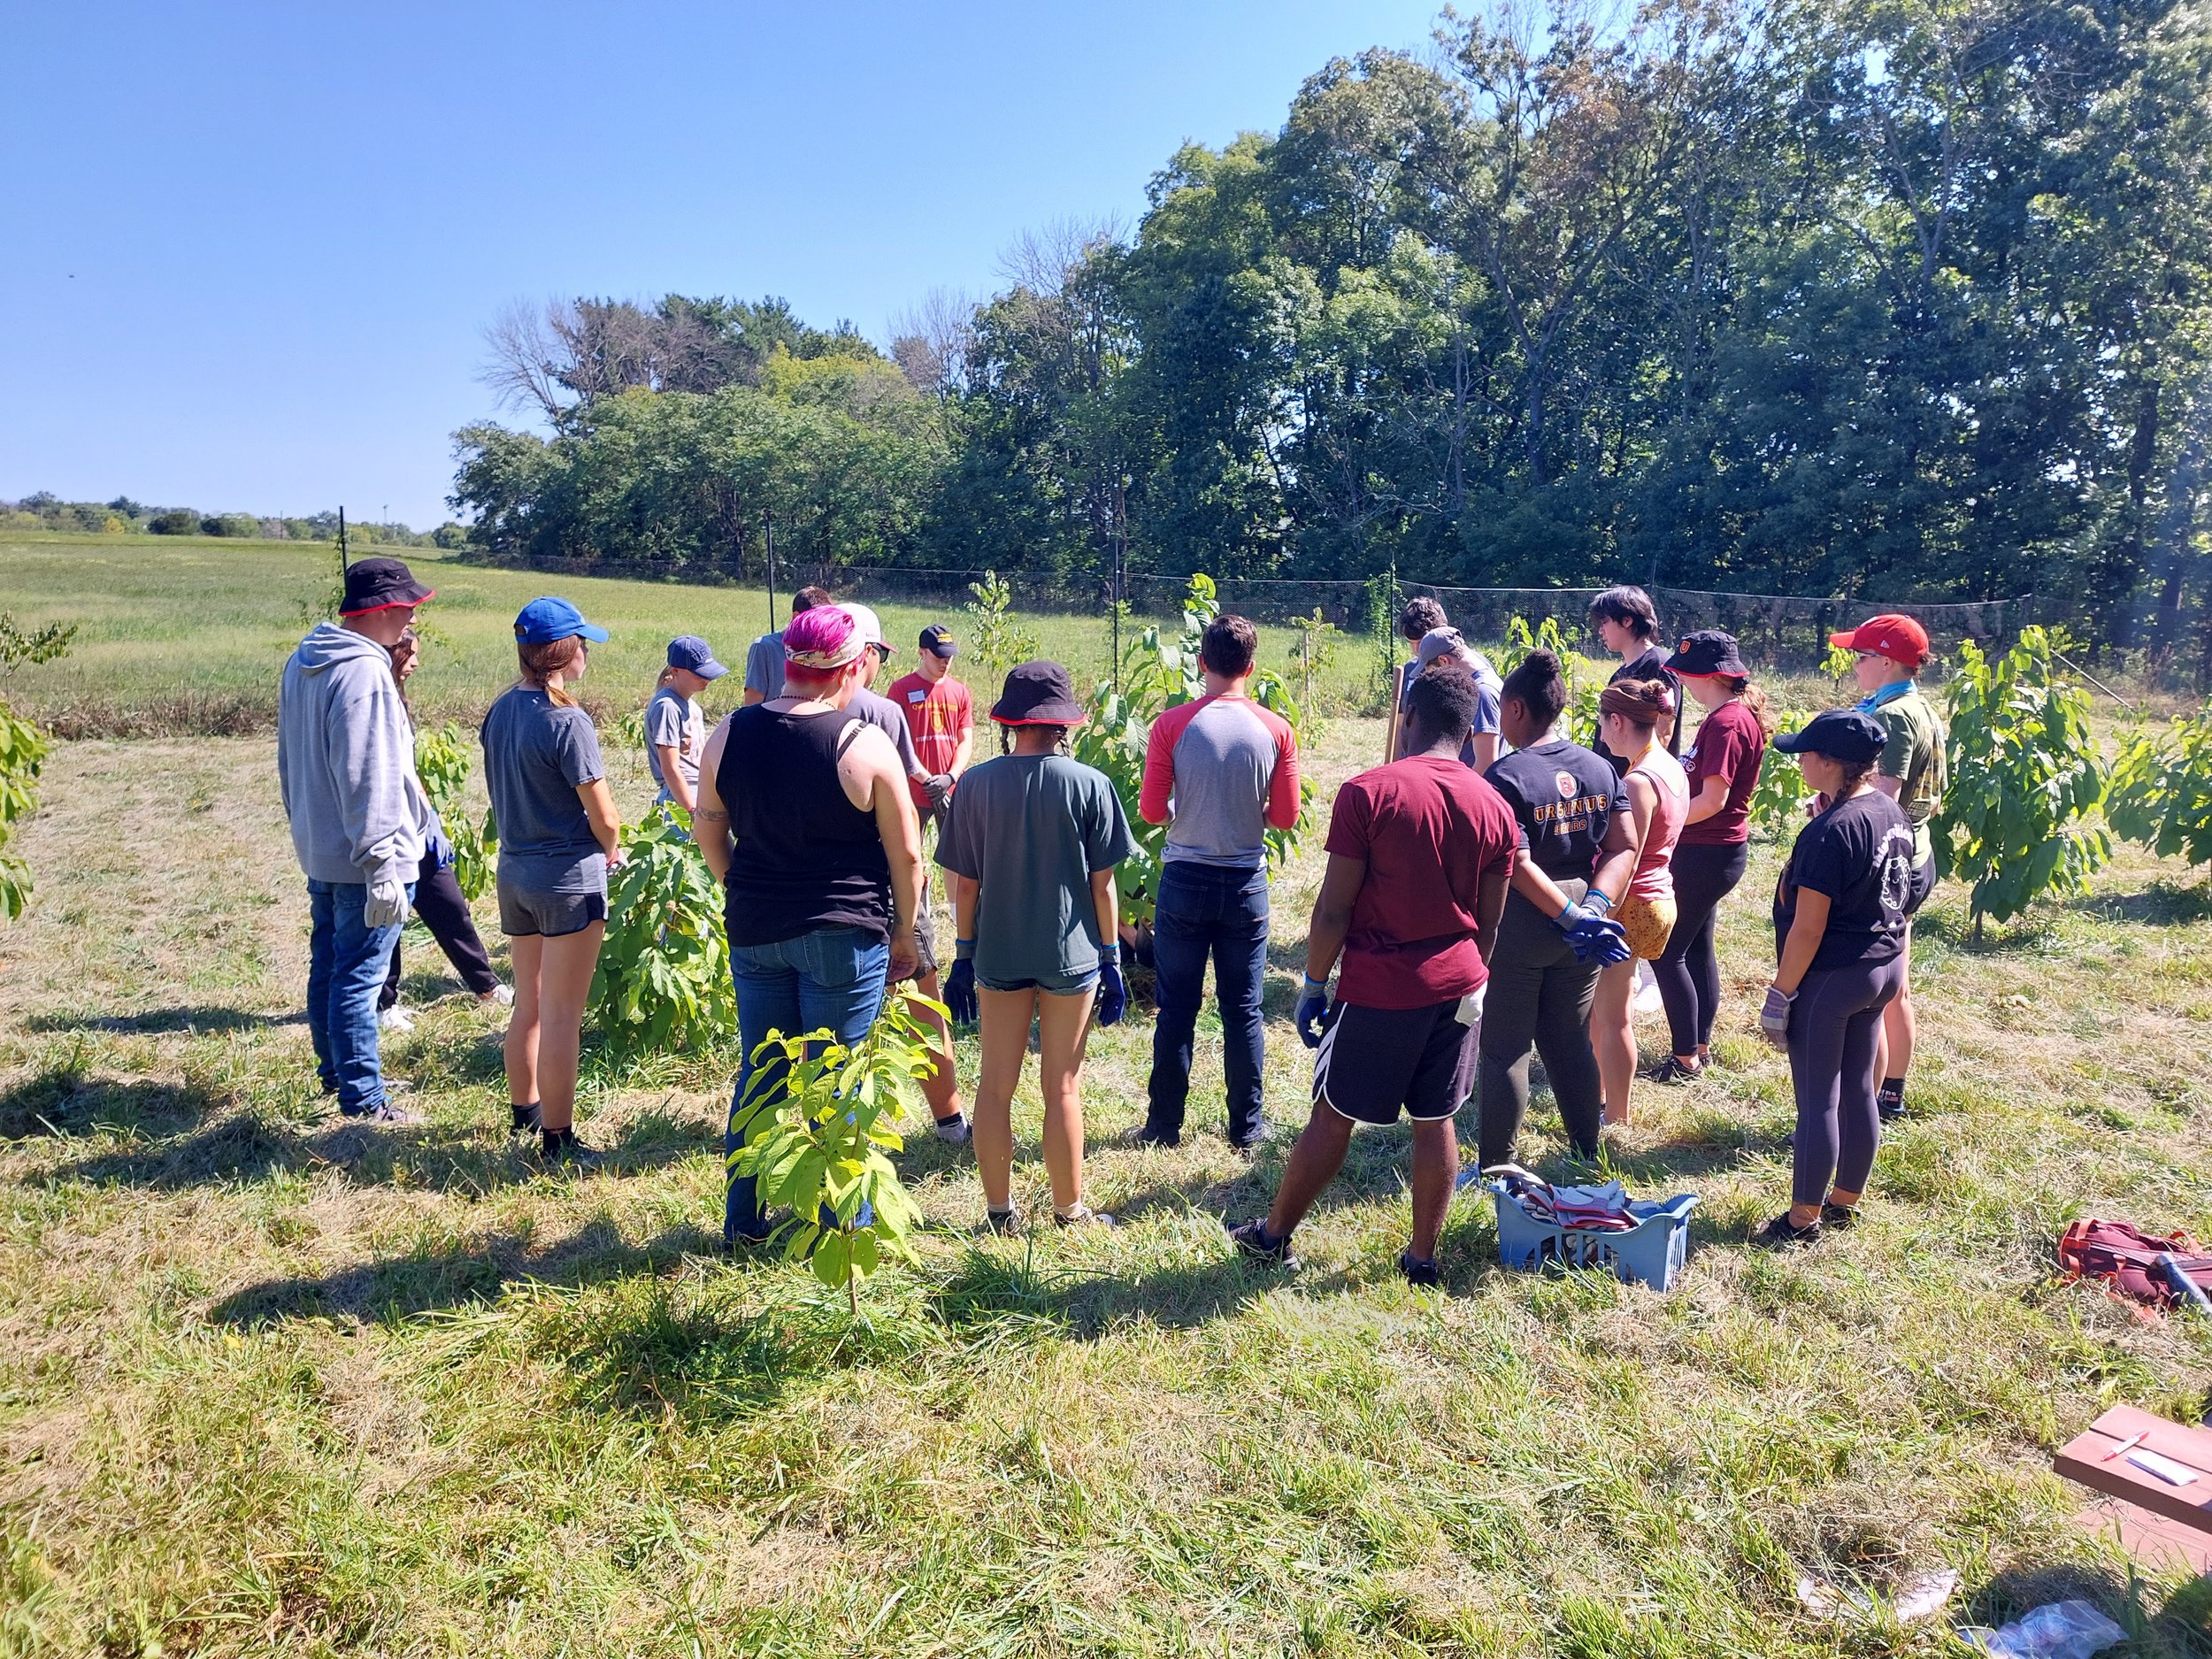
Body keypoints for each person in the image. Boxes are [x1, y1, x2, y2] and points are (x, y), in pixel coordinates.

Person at [1227, 664, 1517, 1285]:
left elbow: (1334, 907)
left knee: (1333, 1114)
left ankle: (1273, 1236)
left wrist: (1312, 982)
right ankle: (1422, 1260)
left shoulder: (1369, 792)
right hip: (1462, 985)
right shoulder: (1495, 805)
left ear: (1408, 719)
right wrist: (1471, 979)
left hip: (1383, 987)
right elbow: (1491, 923)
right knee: (1435, 1120)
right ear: (1469, 734)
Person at [696, 603, 925, 1246]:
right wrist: (905, 930)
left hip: (755, 927)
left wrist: (739, 884)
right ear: (851, 669)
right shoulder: (863, 743)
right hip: (842, 932)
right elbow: (907, 854)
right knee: (839, 1074)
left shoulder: (730, 732)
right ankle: (839, 1227)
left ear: (790, 661)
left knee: (761, 1071)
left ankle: (742, 1221)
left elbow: (708, 828)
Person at [937, 661, 1133, 1233]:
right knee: (1062, 1086)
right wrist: (1112, 957)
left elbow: (965, 885)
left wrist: (963, 952)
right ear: (1062, 724)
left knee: (995, 1086)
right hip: (1070, 956)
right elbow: (1102, 885)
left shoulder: (973, 783)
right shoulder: (1090, 783)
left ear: (1010, 722)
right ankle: (1070, 1211)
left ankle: (999, 1213)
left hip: (997, 954)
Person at [277, 557, 437, 1125]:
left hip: (322, 845)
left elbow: (288, 763)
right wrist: (381, 865)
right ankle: (364, 1101)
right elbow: (367, 773)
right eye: (410, 604)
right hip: (367, 855)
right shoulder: (365, 671)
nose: (414, 613)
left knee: (328, 966)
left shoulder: (305, 661)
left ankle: (337, 1074)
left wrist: (306, 828)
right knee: (359, 978)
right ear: (389, 608)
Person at [1135, 613, 1301, 1150]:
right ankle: (1246, 1128)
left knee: (1177, 1007)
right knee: (1243, 1009)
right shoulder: (1276, 730)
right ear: (1251, 668)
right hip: (1245, 884)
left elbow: (1152, 811)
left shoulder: (1172, 725)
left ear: (1202, 663)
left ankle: (1164, 1127)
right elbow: (1285, 818)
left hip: (1184, 879)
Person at [1753, 710, 1917, 1247]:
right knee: (1858, 1091)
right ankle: (1845, 1199)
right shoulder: (1889, 809)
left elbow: (1807, 927)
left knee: (1817, 1100)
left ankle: (1802, 1217)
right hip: (1884, 968)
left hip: (1833, 980)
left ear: (1829, 763)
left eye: (1805, 754)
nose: (1799, 761)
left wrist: (1781, 994)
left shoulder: (1829, 832)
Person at [1475, 650, 1636, 1169]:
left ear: (1517, 709)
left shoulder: (1504, 777)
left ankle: (1497, 1165)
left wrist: (1569, 913)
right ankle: (1588, 1151)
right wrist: (1595, 906)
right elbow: (1624, 846)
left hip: (1525, 918)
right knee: (1569, 1039)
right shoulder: (1601, 769)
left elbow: (1515, 863)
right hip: (1587, 927)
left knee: (1505, 1047)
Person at [481, 596, 623, 1165]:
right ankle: (559, 1141)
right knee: (565, 1013)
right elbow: (605, 816)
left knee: (531, 1003)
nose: (588, 650)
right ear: (566, 652)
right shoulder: (566, 718)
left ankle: (525, 1110)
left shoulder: (499, 710)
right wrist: (611, 851)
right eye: (582, 642)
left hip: (514, 873)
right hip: (567, 879)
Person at [842, 603, 966, 1140]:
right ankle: (949, 1119)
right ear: (864, 655)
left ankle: (827, 1127)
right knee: (920, 991)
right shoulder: (887, 707)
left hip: (812, 896)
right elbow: (908, 850)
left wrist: (946, 776)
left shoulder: (758, 720)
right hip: (888, 876)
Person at [1830, 614, 1947, 1121]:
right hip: (1916, 851)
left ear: (1884, 661)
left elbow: (1884, 795)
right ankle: (1890, 1090)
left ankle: (1865, 1104)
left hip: (1889, 860)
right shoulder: (1920, 707)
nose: (1854, 664)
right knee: (1894, 980)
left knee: (1874, 986)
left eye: (1860, 655)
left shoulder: (1894, 715)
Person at [1647, 631, 1772, 1082]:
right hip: (1715, 852)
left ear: (1713, 676)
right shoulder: (1727, 716)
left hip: (1706, 852)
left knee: (1667, 953)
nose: (1683, 684)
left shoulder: (1726, 723)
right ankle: (1698, 1044)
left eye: (1687, 676)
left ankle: (1684, 1061)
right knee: (1696, 948)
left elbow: (1713, 799)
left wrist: (1663, 824)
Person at [378, 625, 509, 1031]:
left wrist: (429, 817)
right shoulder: (376, 699)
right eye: (410, 653)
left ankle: (486, 986)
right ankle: (383, 1005)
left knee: (450, 905)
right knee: (389, 920)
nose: (416, 661)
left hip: (418, 826)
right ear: (393, 653)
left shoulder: (398, 699)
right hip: (393, 829)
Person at [1586, 680, 1687, 1125]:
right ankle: (1598, 1098)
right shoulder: (1670, 765)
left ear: (1618, 721)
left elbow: (1627, 857)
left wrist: (1599, 917)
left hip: (1633, 904)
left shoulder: (1637, 781)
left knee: (1613, 1019)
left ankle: (1617, 1117)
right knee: (1609, 1014)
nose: (1601, 733)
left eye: (1602, 722)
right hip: (1661, 895)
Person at [887, 623, 974, 829]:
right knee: (910, 855)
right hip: (913, 791)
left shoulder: (960, 692)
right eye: (938, 656)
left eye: (949, 657)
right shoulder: (900, 690)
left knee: (956, 858)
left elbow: (965, 740)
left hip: (950, 790)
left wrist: (950, 777)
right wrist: (926, 780)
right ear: (922, 653)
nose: (945, 662)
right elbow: (895, 743)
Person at [1587, 586, 1681, 765]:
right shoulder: (1619, 673)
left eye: (1605, 622)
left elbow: (1663, 735)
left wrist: (1635, 782)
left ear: (1627, 620)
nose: (1600, 630)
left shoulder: (1659, 666)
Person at [645, 634, 728, 819]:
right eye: (699, 673)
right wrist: (691, 811)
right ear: (675, 671)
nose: (707, 678)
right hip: (680, 797)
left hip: (699, 788)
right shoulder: (667, 706)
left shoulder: (692, 706)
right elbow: (671, 768)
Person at [1411, 627, 1504, 770]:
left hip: (1471, 789)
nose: (1432, 677)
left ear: (1444, 661)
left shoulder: (1483, 692)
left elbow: (1486, 764)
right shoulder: (1485, 677)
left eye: (1431, 671)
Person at [1380, 595, 1448, 764]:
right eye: (1412, 643)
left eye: (1422, 643)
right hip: (1408, 765)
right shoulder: (1410, 670)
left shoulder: (1458, 674)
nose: (1417, 651)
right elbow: (1399, 725)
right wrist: (1391, 767)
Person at [741, 585, 833, 706]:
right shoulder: (764, 647)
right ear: (796, 617)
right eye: (814, 623)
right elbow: (751, 705)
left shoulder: (823, 650)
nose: (820, 630)